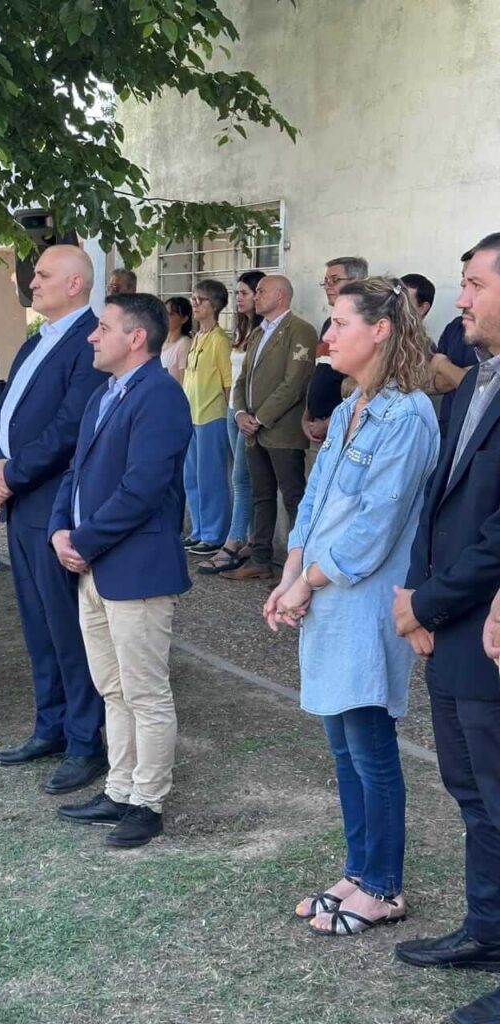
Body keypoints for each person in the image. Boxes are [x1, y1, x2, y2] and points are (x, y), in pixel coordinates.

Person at [264, 277, 438, 936]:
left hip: (363, 603)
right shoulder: (347, 411)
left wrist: (308, 581)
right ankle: (359, 871)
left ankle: (384, 887)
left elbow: (376, 525)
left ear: (382, 331)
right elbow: (311, 503)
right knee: (342, 746)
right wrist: (289, 574)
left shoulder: (410, 414)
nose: (327, 336)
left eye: (338, 323)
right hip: (325, 596)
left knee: (370, 747)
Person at [393, 234, 500, 1024]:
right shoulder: (470, 385)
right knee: (470, 790)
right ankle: (487, 929)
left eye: (471, 284)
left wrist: (427, 603)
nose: (460, 299)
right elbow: (443, 505)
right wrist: (423, 596)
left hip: (486, 623)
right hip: (454, 624)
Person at [50, 293, 193, 847]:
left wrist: (82, 540)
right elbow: (76, 472)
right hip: (94, 565)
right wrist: (61, 528)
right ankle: (120, 788)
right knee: (112, 687)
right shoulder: (105, 394)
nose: (92, 335)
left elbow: (143, 489)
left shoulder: (160, 396)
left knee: (145, 690)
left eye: (103, 327)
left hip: (134, 568)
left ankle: (148, 802)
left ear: (137, 338)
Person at [0, 245, 108, 794]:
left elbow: (70, 426)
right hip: (19, 497)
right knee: (37, 623)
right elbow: (2, 411)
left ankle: (85, 740)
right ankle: (50, 724)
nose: (31, 282)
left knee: (67, 626)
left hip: (52, 500)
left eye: (43, 275)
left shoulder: (90, 342)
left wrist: (13, 473)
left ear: (76, 284)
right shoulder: (37, 340)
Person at [225, 275, 317, 581]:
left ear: (280, 296)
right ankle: (260, 558)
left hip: (282, 431)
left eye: (261, 290)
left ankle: (297, 566)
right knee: (261, 495)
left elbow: (294, 383)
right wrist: (240, 412)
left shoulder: (300, 330)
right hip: (254, 430)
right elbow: (242, 380)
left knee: (293, 497)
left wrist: (260, 417)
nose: (256, 295)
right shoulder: (257, 333)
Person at [197, 270, 264, 575]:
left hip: (248, 412)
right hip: (233, 412)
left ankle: (234, 542)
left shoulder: (265, 333)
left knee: (241, 479)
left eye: (245, 293)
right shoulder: (240, 331)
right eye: (236, 293)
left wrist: (241, 411)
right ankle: (248, 539)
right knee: (243, 480)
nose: (240, 299)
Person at [182, 278, 232, 555]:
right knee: (192, 477)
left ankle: (214, 535)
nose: (194, 304)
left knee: (211, 478)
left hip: (212, 416)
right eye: (193, 299)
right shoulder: (197, 337)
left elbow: (227, 383)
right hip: (191, 416)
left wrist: (231, 415)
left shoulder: (220, 340)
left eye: (199, 300)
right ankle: (199, 530)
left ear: (213, 305)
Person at [302, 257, 368, 458]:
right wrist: (307, 415)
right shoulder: (326, 325)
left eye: (334, 280)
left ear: (357, 282)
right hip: (317, 429)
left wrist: (329, 422)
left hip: (345, 429)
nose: (327, 286)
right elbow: (319, 375)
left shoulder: (364, 325)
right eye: (326, 281)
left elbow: (361, 387)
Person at [430, 263, 478, 438]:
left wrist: (442, 365)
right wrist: (461, 375)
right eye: (464, 285)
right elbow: (431, 383)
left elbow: (480, 384)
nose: (461, 300)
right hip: (448, 428)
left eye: (476, 285)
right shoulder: (455, 328)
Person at [161, 296, 193, 385]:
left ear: (184, 319)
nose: (166, 318)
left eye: (171, 314)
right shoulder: (161, 341)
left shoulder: (184, 343)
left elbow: (184, 381)